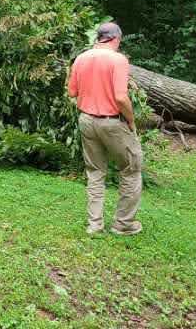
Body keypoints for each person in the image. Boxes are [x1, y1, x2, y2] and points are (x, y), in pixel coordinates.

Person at [67, 22, 143, 236]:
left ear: (99, 38)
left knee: (95, 172)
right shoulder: (118, 60)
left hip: (86, 121)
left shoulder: (81, 58)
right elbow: (120, 97)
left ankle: (94, 225)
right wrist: (131, 120)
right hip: (112, 123)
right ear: (116, 39)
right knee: (131, 169)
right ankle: (123, 224)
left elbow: (72, 92)